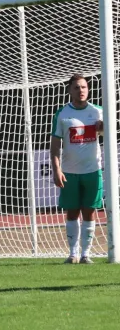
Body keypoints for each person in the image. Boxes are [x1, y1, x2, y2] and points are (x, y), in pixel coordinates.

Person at [50, 74, 104, 264]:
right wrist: (56, 169)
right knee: (72, 211)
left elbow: (109, 132)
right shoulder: (62, 114)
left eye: (83, 87)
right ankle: (73, 253)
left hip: (92, 170)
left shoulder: (98, 111)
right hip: (70, 171)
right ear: (69, 90)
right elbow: (55, 145)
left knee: (89, 211)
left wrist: (104, 127)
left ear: (88, 89)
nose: (80, 91)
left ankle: (86, 254)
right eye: (76, 88)